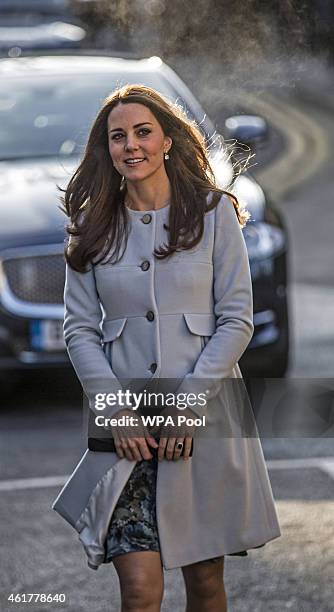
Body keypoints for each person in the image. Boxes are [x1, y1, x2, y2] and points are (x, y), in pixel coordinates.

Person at [54, 84, 281, 612]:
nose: (130, 145)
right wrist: (115, 413)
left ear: (168, 142)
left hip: (202, 423)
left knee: (204, 584)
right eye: (117, 136)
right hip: (125, 432)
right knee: (139, 591)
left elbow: (236, 320)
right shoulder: (92, 226)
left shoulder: (214, 213)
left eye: (142, 132)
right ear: (106, 149)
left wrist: (186, 409)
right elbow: (79, 329)